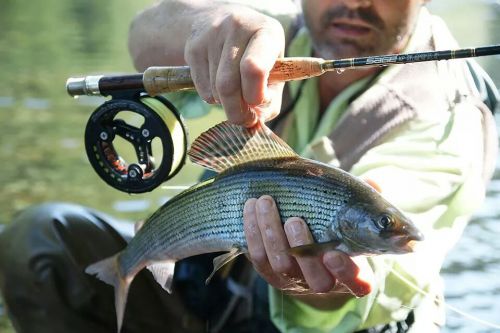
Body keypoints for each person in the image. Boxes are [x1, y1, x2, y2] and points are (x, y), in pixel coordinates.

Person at [0, 0, 497, 332]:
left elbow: (356, 294)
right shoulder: (289, 32)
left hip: (349, 325)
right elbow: (145, 30)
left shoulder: (451, 119)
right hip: (219, 286)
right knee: (40, 239)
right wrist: (207, 28)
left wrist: (317, 285)